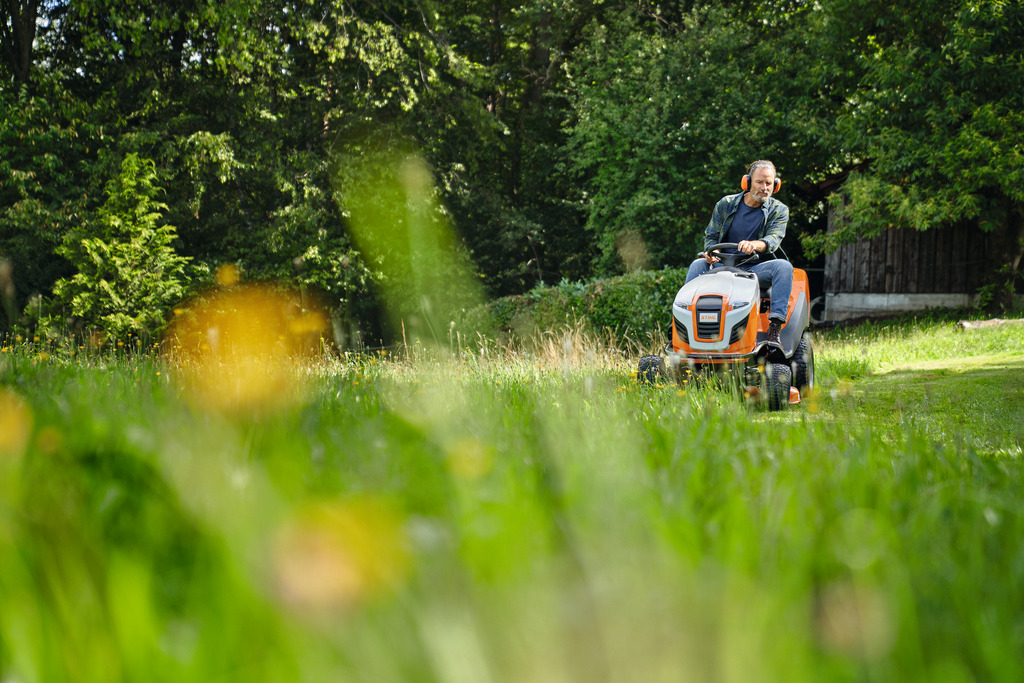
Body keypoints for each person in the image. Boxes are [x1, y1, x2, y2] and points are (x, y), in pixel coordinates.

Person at [684, 159, 793, 346]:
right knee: (697, 265)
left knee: (784, 267)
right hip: (722, 265)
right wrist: (710, 252)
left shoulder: (779, 210)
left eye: (769, 183)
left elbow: (773, 241)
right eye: (760, 182)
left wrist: (754, 245)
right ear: (748, 182)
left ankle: (774, 328)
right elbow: (710, 235)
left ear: (776, 185)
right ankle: (681, 325)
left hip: (756, 269)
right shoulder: (725, 204)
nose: (764, 187)